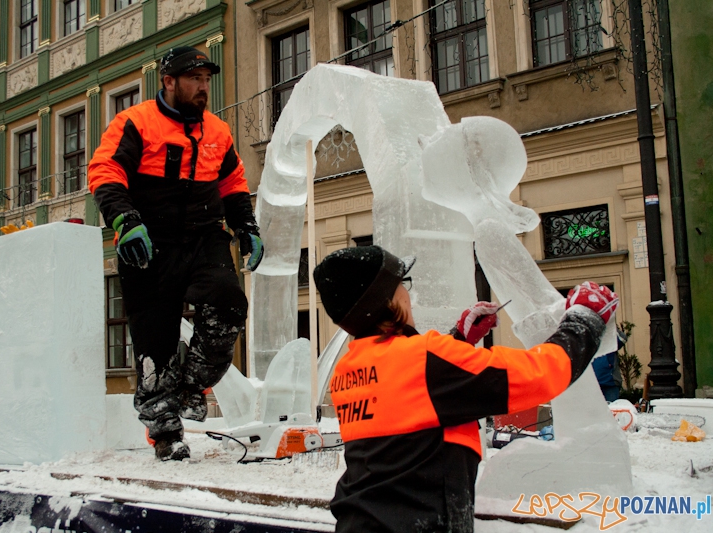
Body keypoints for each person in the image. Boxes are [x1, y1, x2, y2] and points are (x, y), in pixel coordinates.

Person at [313, 246, 617, 533]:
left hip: (361, 521)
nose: (409, 294)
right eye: (402, 283)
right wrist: (584, 320)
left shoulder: (350, 367)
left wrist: (459, 340)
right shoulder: (426, 358)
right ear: (388, 300)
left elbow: (415, 394)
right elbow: (536, 375)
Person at [88, 46, 264, 461]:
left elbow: (233, 183)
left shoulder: (217, 131)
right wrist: (125, 221)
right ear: (168, 81)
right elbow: (105, 171)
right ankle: (165, 431)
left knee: (229, 304)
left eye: (206, 80)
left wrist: (247, 227)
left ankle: (192, 386)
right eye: (194, 80)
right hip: (149, 243)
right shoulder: (134, 122)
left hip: (204, 236)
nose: (204, 88)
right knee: (155, 344)